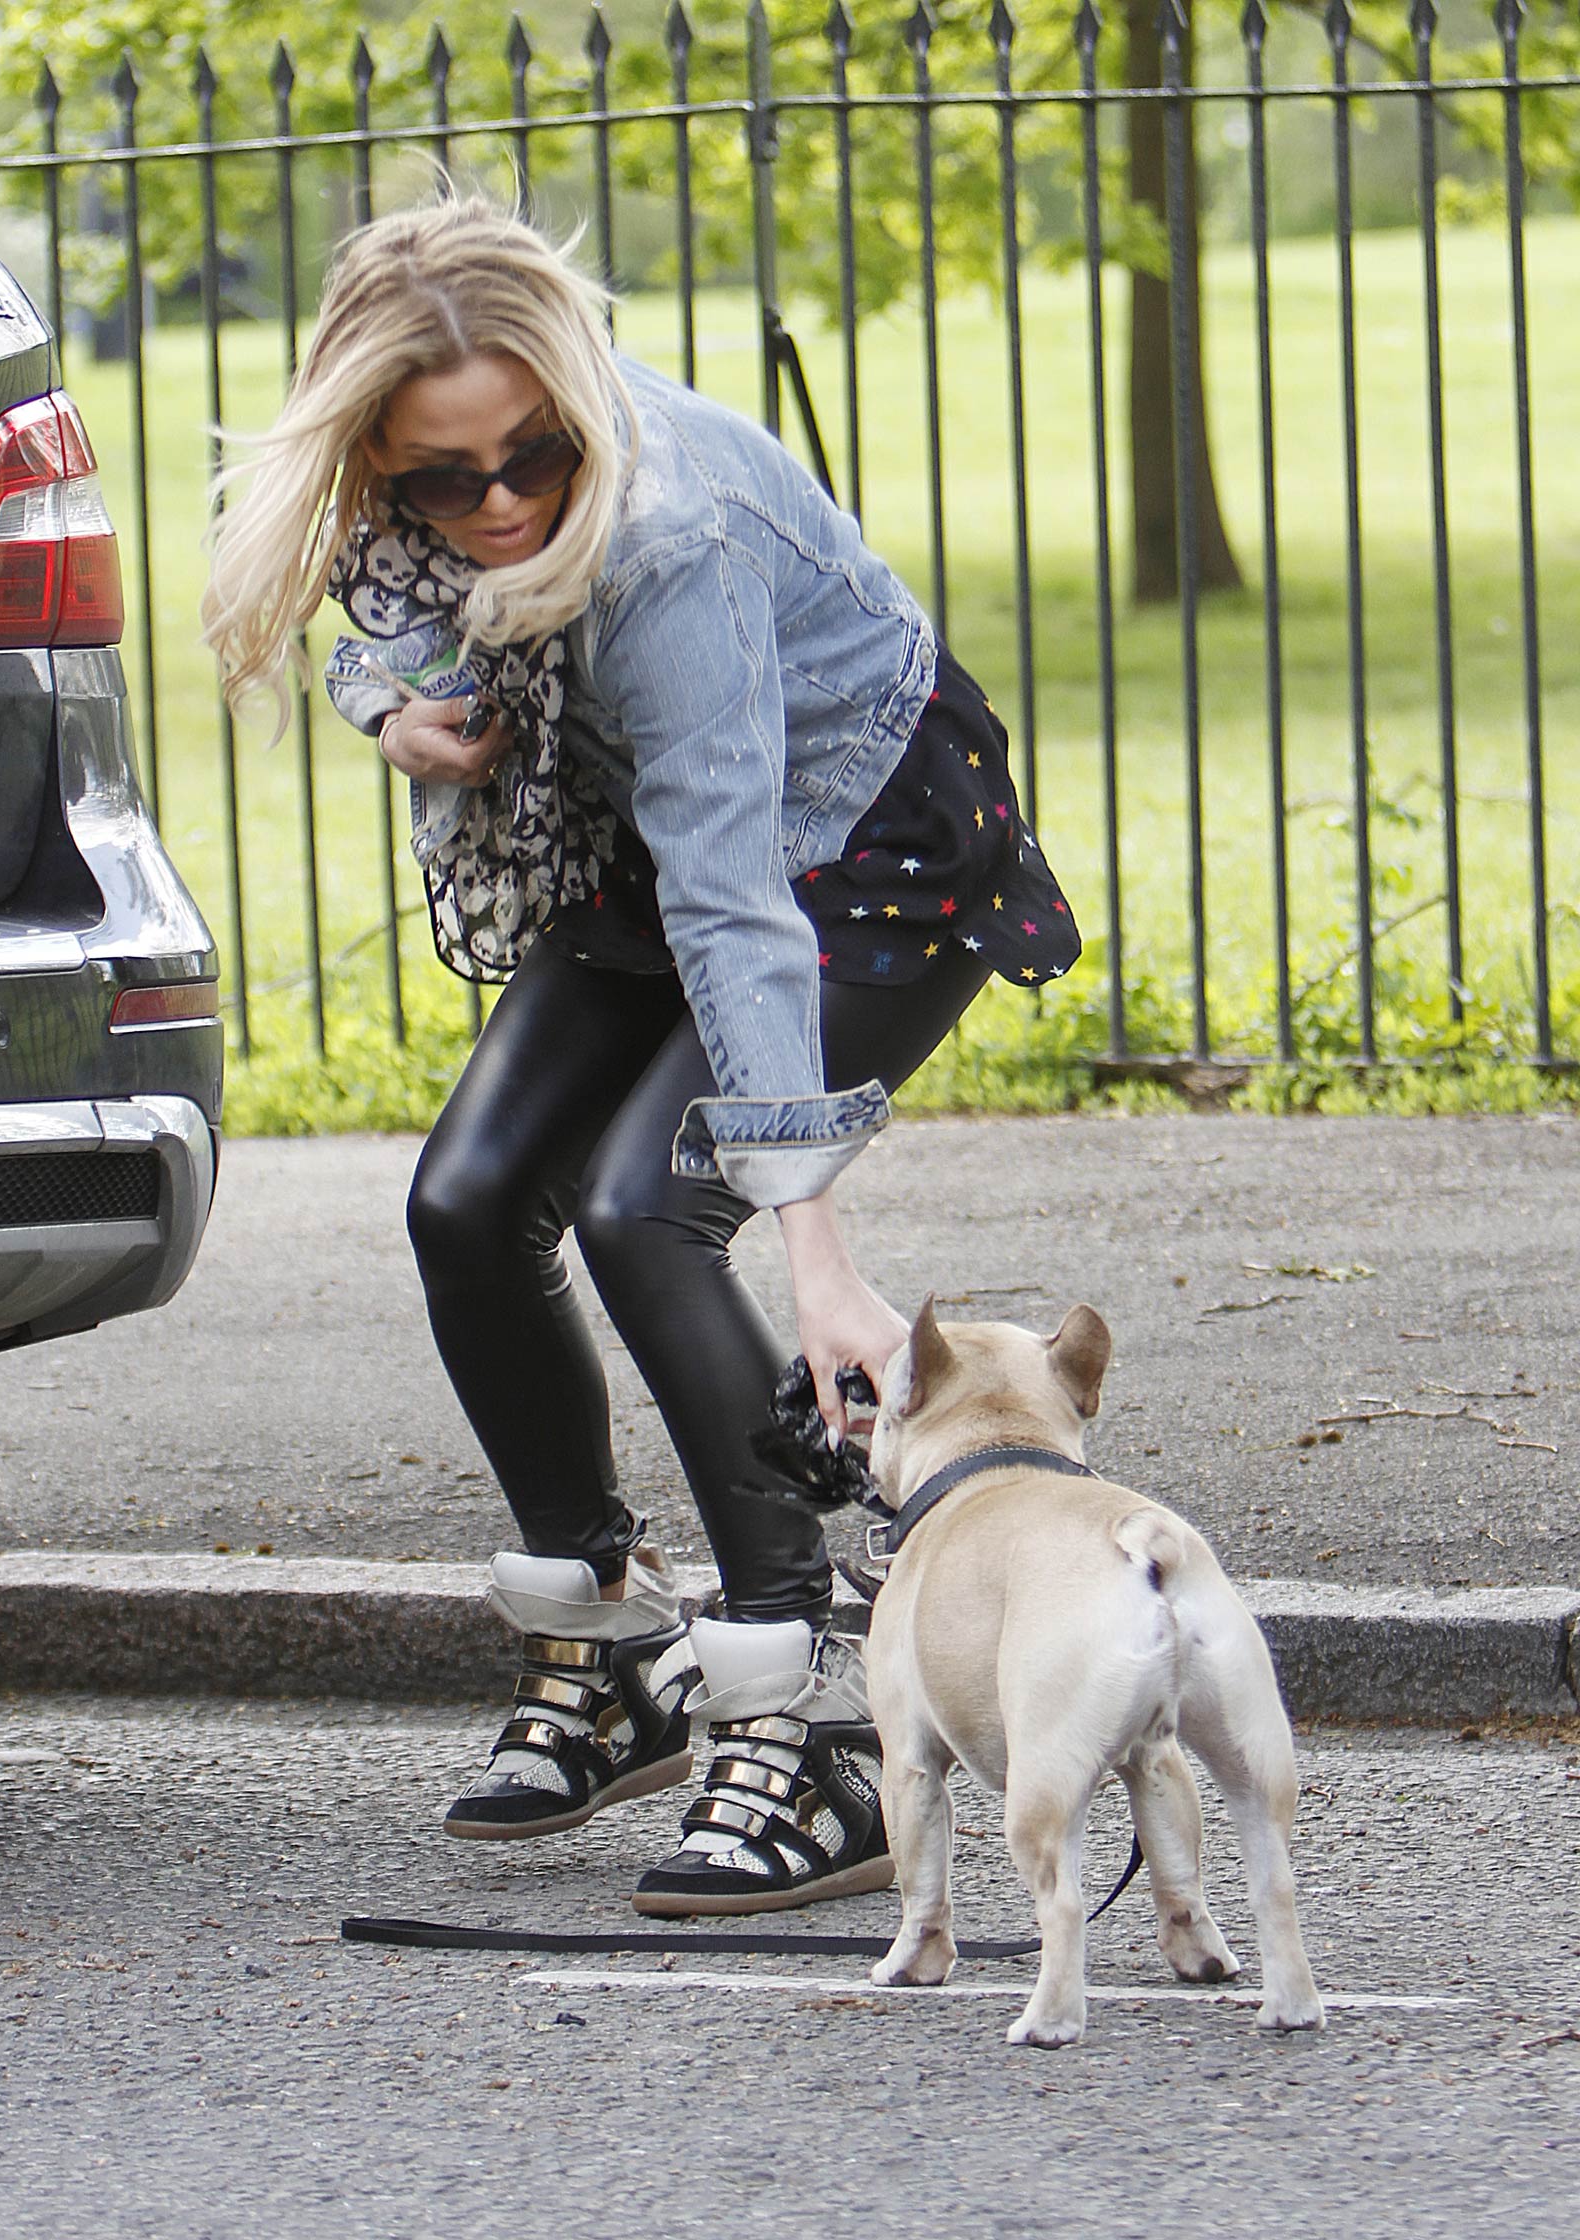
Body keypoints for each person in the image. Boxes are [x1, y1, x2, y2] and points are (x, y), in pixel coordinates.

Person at [203, 195, 1079, 1917]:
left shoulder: (664, 536)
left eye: (533, 456)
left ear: (578, 397)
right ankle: (607, 1652)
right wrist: (390, 709)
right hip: (653, 840)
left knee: (644, 1212)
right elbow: (374, 612)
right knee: (466, 1202)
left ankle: (807, 1722)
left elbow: (741, 904)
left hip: (861, 845)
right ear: (376, 446)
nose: (504, 504)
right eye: (445, 480)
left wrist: (819, 1255)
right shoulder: (398, 508)